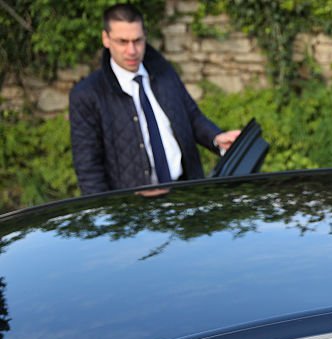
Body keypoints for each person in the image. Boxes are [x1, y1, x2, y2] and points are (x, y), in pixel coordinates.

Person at [69, 3, 240, 195]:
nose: (132, 51)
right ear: (106, 39)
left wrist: (216, 138)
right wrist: (108, 215)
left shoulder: (162, 70)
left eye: (137, 40)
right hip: (134, 209)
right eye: (122, 42)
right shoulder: (87, 94)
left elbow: (190, 115)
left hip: (187, 192)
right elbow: (88, 169)